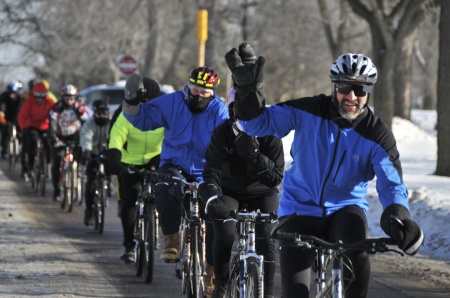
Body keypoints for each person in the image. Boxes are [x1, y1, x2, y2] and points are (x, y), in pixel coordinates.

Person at [223, 43, 425, 298]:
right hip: (299, 209)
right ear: (334, 88)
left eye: (359, 89)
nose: (351, 96)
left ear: (368, 92)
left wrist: (398, 215)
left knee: (357, 258)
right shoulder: (308, 110)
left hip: (345, 210)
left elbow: (391, 182)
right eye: (344, 87)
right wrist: (248, 93)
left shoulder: (377, 134)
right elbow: (256, 125)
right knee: (296, 292)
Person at [121, 67, 229, 263]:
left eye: (204, 92)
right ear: (188, 86)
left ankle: (212, 272)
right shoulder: (172, 102)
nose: (199, 96)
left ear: (212, 93)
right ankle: (171, 239)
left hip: (206, 169)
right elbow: (143, 118)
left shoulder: (220, 111)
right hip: (174, 163)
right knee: (165, 187)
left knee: (215, 213)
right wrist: (131, 102)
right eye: (195, 90)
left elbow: (229, 142)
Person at [199, 87, 285, 297]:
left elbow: (276, 177)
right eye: (240, 111)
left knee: (267, 239)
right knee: (225, 233)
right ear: (231, 111)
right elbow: (211, 170)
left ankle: (268, 293)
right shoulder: (223, 133)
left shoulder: (270, 133)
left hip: (263, 192)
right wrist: (212, 197)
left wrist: (254, 156)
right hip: (230, 190)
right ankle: (220, 283)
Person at [106, 77, 164, 263]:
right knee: (129, 202)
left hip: (156, 159)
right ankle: (129, 243)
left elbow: (173, 136)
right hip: (129, 162)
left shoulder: (163, 114)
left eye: (150, 101)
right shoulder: (126, 114)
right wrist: (114, 158)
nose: (146, 105)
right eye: (142, 101)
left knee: (166, 196)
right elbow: (116, 137)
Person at [50, 84, 88, 201]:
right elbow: (52, 121)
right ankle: (57, 189)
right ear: (63, 97)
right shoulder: (57, 107)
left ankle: (80, 170)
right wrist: (53, 136)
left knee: (82, 152)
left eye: (71, 98)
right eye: (67, 98)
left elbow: (86, 121)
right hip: (60, 136)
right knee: (56, 162)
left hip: (75, 135)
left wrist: (84, 137)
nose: (69, 100)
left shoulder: (79, 107)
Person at [80, 99, 111, 226]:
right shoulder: (89, 123)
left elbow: (115, 137)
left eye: (104, 113)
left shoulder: (111, 123)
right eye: (99, 113)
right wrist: (86, 150)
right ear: (94, 113)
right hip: (92, 154)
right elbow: (86, 136)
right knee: (90, 182)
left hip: (107, 153)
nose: (102, 116)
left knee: (112, 170)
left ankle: (108, 184)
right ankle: (88, 211)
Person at [17, 81, 55, 180]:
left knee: (50, 144)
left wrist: (54, 129)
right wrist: (24, 127)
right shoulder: (29, 102)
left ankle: (47, 164)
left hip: (45, 127)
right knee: (29, 144)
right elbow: (22, 116)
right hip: (32, 126)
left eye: (42, 96)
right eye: (37, 96)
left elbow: (55, 115)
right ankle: (28, 167)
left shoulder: (50, 102)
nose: (39, 99)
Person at [0, 80, 25, 158]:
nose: (12, 95)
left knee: (22, 133)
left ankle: (21, 149)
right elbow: (1, 108)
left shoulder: (21, 98)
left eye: (13, 93)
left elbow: (21, 110)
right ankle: (5, 151)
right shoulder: (3, 96)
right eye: (10, 93)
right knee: (5, 132)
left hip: (18, 118)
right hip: (6, 118)